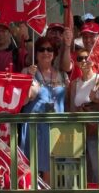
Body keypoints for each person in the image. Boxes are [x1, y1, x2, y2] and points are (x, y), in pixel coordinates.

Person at [20, 36, 69, 182]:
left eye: (50, 49)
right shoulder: (26, 72)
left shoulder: (62, 75)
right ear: (36, 53)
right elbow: (22, 102)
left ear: (54, 53)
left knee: (52, 165)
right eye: (41, 49)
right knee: (32, 163)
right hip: (34, 126)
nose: (45, 52)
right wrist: (28, 78)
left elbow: (67, 101)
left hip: (56, 127)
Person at [69, 48, 99, 184]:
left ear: (92, 60)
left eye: (86, 58)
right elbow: (71, 108)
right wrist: (78, 110)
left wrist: (96, 99)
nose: (84, 61)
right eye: (80, 58)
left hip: (98, 129)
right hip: (80, 131)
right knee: (86, 168)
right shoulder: (74, 84)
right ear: (76, 63)